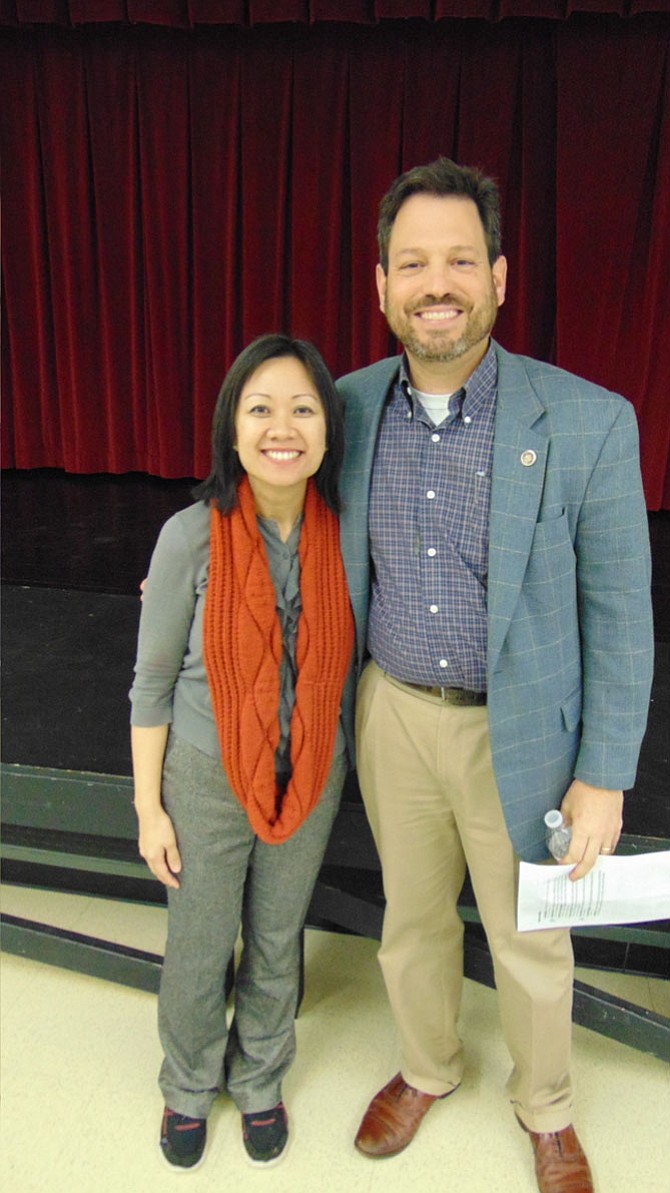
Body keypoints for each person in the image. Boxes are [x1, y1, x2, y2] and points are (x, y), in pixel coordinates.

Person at [335, 158, 654, 1193]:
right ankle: (428, 1064)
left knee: (529, 940)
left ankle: (545, 1105)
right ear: (381, 283)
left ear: (500, 278)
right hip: (391, 716)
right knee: (410, 918)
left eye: (460, 260)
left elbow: (619, 613)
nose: (439, 282)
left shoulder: (589, 420)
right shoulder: (337, 413)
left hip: (522, 731)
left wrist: (602, 772)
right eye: (414, 262)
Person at [129, 334, 354, 1172]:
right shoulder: (188, 537)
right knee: (200, 937)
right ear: (232, 429)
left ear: (328, 429)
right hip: (205, 774)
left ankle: (260, 1075)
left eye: (303, 408)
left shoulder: (347, 533)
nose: (281, 427)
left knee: (275, 934)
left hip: (313, 772)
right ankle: (188, 1084)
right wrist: (150, 808)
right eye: (260, 408)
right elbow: (150, 686)